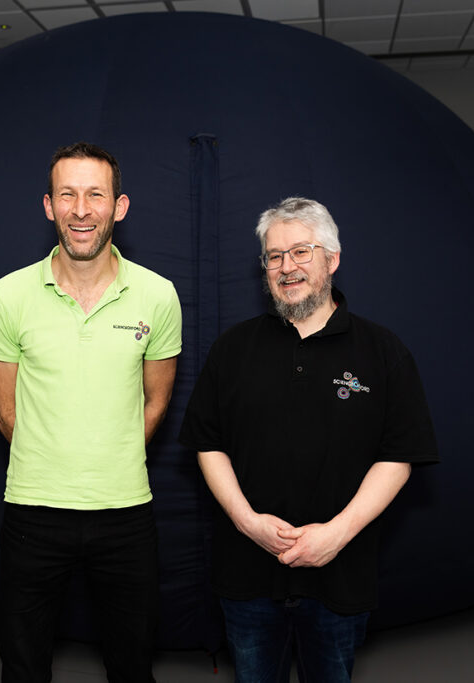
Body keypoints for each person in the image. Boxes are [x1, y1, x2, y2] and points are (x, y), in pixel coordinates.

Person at [179, 197, 438, 682]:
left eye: (301, 251)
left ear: (332, 259)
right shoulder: (232, 349)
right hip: (247, 574)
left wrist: (335, 535)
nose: (286, 266)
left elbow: (399, 456)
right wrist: (247, 521)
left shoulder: (383, 352)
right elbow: (207, 443)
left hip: (340, 575)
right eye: (274, 256)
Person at [0, 142, 181, 683]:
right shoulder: (7, 296)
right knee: (22, 667)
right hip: (31, 511)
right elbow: (4, 409)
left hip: (126, 512)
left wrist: (107, 459)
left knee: (133, 665)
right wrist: (59, 464)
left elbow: (157, 398)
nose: (81, 208)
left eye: (96, 194)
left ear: (120, 207)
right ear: (49, 206)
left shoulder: (158, 296)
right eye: (67, 194)